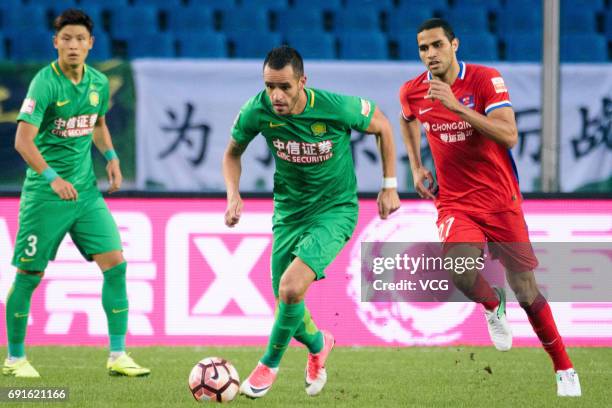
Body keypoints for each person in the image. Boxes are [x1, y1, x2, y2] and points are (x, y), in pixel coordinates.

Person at [398, 18, 580, 397]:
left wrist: (456, 107)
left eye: (436, 45)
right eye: (423, 48)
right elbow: (407, 119)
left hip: (501, 201)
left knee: (527, 292)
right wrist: (416, 165)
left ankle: (564, 368)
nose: (430, 54)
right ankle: (492, 302)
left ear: (454, 44)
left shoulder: (485, 79)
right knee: (460, 272)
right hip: (455, 202)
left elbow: (509, 135)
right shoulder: (413, 91)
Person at [223, 45, 400, 398]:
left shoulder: (335, 106)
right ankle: (320, 345)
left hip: (334, 211)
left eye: (285, 87)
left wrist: (389, 186)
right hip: (289, 213)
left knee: (290, 288)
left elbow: (383, 125)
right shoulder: (256, 110)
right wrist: (233, 194)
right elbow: (231, 154)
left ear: (303, 81)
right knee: (286, 298)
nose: (276, 95)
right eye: (269, 86)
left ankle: (268, 365)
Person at [3, 9, 149, 378]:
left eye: (79, 39)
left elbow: (96, 122)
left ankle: (118, 355)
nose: (73, 45)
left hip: (85, 194)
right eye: (66, 38)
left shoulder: (98, 82)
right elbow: (23, 140)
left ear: (90, 44)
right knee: (29, 275)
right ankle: (15, 358)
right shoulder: (44, 83)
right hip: (46, 195)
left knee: (115, 265)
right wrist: (51, 177)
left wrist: (112, 157)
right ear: (56, 43)